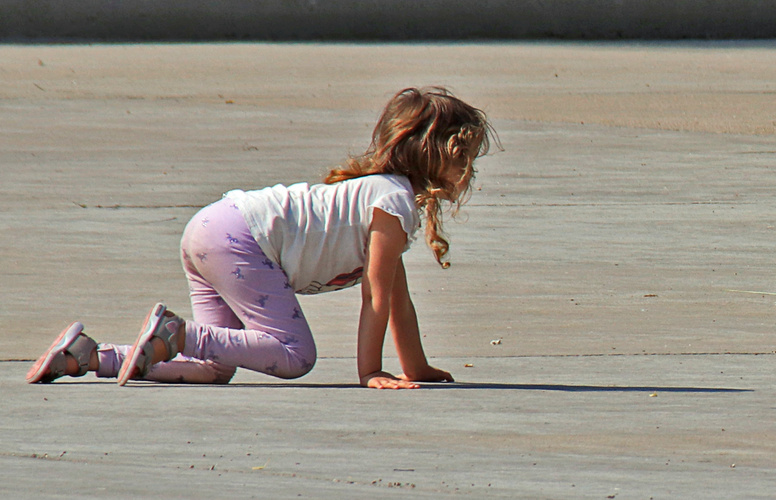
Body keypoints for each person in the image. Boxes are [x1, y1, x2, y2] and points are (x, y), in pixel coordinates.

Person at [25, 87, 497, 389]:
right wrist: (370, 371)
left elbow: (397, 296)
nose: (469, 171)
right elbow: (375, 291)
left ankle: (88, 357)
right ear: (432, 156)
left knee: (214, 365)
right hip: (239, 240)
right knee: (294, 355)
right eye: (464, 159)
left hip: (214, 228)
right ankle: (177, 332)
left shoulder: (384, 198)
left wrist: (416, 369)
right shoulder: (391, 200)